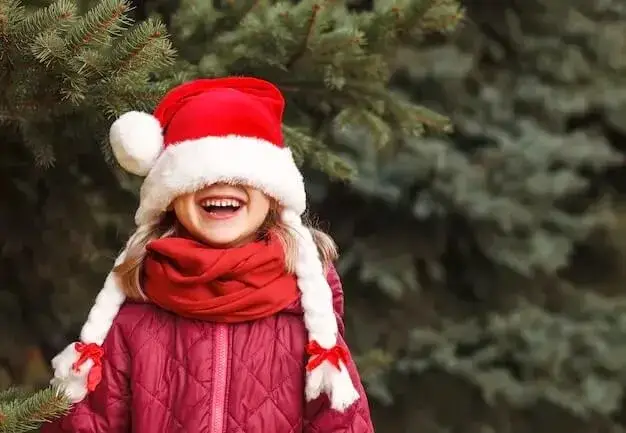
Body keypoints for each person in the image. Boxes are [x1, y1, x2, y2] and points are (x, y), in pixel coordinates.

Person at [41, 76, 374, 433]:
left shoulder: (307, 316)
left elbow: (341, 424)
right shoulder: (134, 311)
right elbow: (89, 423)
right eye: (197, 177)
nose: (219, 184)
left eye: (242, 173)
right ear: (169, 196)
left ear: (274, 195)